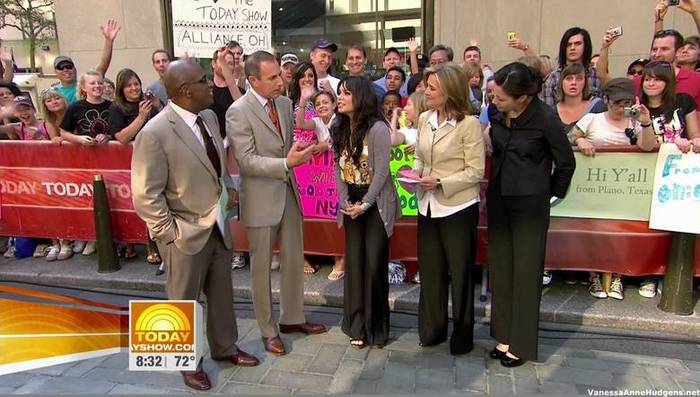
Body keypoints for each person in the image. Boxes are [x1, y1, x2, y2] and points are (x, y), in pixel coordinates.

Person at [131, 59, 260, 391]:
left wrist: (228, 190)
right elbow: (146, 194)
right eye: (205, 81)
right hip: (182, 233)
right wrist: (168, 234)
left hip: (217, 224)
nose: (210, 85)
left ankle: (224, 347)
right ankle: (185, 364)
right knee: (182, 301)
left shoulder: (209, 117)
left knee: (221, 293)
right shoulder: (154, 133)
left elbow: (214, 164)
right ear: (186, 91)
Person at [227, 50, 327, 356]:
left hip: (289, 193)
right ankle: (268, 330)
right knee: (260, 270)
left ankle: (293, 319)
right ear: (253, 80)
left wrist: (301, 150)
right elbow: (246, 161)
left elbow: (290, 142)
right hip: (260, 199)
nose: (280, 82)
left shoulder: (283, 104)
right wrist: (286, 161)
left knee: (295, 259)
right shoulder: (237, 111)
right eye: (272, 78)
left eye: (279, 76)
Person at [488, 62, 575, 367]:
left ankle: (521, 345)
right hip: (498, 199)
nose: (494, 101)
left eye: (501, 98)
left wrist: (548, 194)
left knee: (525, 274)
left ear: (522, 97)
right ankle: (502, 335)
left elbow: (566, 164)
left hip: (530, 205)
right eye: (493, 95)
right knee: (500, 270)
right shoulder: (495, 113)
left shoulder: (546, 119)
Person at [413, 63, 485, 356]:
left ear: (449, 91)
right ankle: (432, 330)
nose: (425, 91)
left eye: (432, 88)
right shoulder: (423, 119)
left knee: (461, 273)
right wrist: (414, 176)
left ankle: (463, 335)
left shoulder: (469, 125)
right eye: (426, 86)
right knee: (431, 272)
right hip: (427, 205)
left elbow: (475, 171)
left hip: (458, 206)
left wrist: (441, 181)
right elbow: (419, 157)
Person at [331, 75, 399, 349]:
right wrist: (345, 200)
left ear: (360, 97)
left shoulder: (378, 128)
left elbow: (382, 171)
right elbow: (337, 168)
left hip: (376, 202)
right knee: (355, 264)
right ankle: (356, 326)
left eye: (346, 93)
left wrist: (366, 203)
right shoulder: (339, 126)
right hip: (351, 201)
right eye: (339, 93)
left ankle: (377, 330)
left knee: (374, 264)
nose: (340, 98)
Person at [569, 78, 649, 300]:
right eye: (616, 102)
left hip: (626, 189)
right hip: (595, 188)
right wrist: (580, 142)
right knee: (596, 231)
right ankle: (594, 274)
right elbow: (569, 138)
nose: (621, 107)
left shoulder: (634, 122)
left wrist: (645, 123)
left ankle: (617, 276)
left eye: (626, 102)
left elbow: (647, 146)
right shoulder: (592, 119)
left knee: (621, 233)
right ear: (606, 100)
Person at [0, 96, 72, 261]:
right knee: (45, 211)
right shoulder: (18, 127)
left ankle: (66, 242)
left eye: (26, 109)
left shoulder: (45, 125)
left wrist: (40, 137)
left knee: (58, 210)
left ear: (34, 109)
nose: (24, 113)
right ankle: (55, 243)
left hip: (52, 173)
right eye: (19, 110)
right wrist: (4, 114)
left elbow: (55, 146)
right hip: (33, 175)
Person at [108, 68, 163, 264]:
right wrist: (140, 117)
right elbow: (121, 138)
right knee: (147, 207)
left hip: (157, 159)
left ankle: (164, 245)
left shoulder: (149, 103)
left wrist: (159, 107)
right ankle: (151, 246)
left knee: (161, 205)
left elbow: (169, 124)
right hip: (133, 165)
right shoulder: (116, 109)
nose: (134, 88)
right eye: (129, 85)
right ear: (121, 89)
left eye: (136, 84)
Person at [59, 70, 113, 256]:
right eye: (92, 83)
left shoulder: (112, 106)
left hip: (111, 162)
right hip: (85, 161)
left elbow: (117, 130)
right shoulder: (75, 108)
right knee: (88, 200)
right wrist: (79, 139)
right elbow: (63, 133)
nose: (97, 86)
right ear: (83, 87)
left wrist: (108, 136)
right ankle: (91, 238)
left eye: (99, 83)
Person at [600, 28, 700, 114]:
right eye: (654, 49)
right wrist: (605, 48)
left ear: (678, 51)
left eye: (664, 49)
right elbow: (606, 80)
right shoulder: (640, 81)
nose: (657, 54)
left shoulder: (696, 79)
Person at [51, 19, 120, 104]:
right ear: (55, 72)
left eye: (69, 66)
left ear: (74, 69)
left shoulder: (87, 84)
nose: (65, 70)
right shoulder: (53, 92)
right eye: (60, 67)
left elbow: (102, 66)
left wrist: (109, 41)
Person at [540, 27, 601, 107]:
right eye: (569, 45)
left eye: (577, 44)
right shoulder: (553, 78)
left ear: (586, 46)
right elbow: (547, 111)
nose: (572, 48)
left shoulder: (596, 75)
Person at [555, 63, 605, 136]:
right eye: (569, 78)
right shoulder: (551, 112)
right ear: (561, 82)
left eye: (579, 79)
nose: (573, 83)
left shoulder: (597, 107)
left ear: (585, 83)